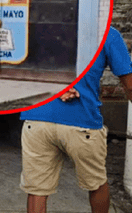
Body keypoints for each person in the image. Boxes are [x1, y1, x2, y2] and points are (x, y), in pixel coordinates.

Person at [20, 26, 132, 213]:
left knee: (36, 190)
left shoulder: (36, 28)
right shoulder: (107, 33)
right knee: (96, 184)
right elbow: (130, 85)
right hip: (82, 122)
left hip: (37, 118)